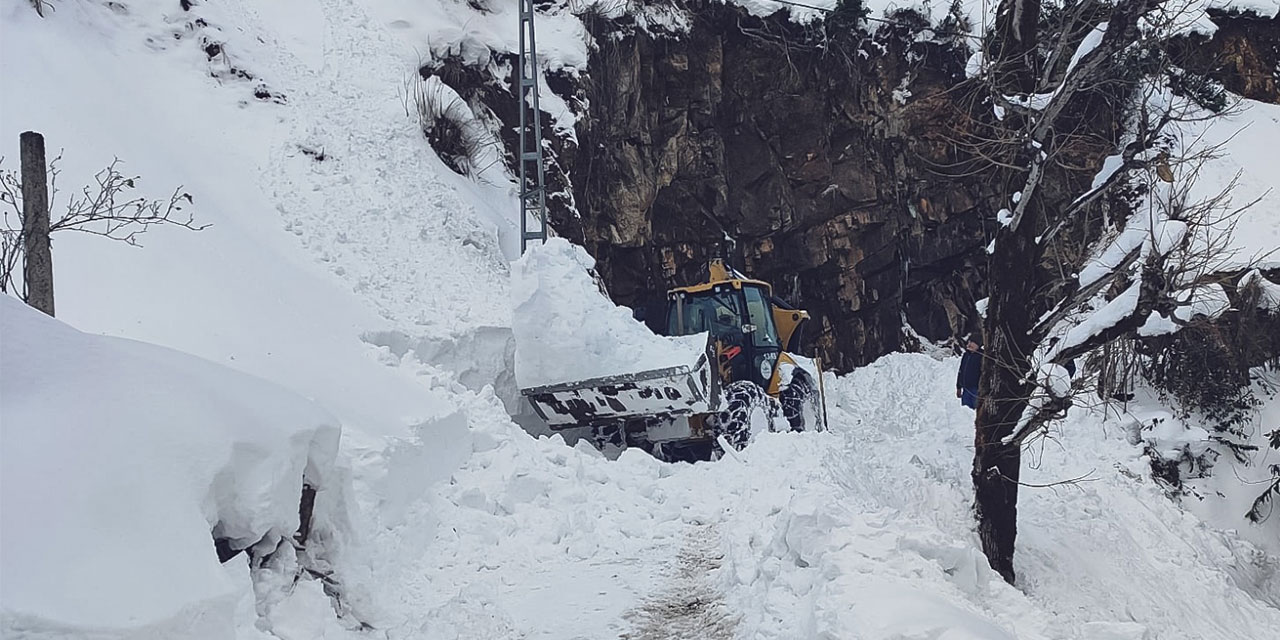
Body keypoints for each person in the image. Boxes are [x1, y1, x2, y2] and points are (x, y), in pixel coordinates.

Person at [956, 334, 982, 409]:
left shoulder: (981, 356)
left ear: (978, 345)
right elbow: (961, 371)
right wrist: (958, 387)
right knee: (965, 412)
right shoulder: (966, 355)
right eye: (969, 342)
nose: (969, 344)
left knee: (975, 411)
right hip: (966, 389)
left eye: (972, 343)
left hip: (976, 390)